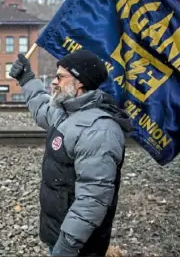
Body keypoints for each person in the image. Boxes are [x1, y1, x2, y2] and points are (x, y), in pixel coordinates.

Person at [9, 49, 133, 257]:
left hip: (79, 247)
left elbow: (92, 200)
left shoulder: (99, 131)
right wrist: (27, 79)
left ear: (80, 83)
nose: (54, 82)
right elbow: (42, 110)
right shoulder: (67, 112)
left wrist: (66, 247)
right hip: (60, 233)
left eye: (60, 77)